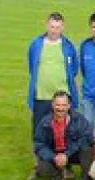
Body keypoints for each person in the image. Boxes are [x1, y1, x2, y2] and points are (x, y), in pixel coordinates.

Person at [28, 12, 79, 152]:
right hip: (41, 96)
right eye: (52, 27)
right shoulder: (36, 44)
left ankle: (63, 160)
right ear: (47, 26)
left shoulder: (68, 46)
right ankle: (40, 161)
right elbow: (32, 66)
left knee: (64, 132)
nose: (54, 31)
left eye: (57, 27)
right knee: (39, 131)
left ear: (62, 28)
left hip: (62, 98)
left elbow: (74, 69)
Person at [33, 91, 95, 180]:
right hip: (55, 154)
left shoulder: (79, 119)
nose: (60, 108)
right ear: (52, 105)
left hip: (73, 152)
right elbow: (39, 144)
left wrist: (66, 154)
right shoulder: (45, 122)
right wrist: (53, 157)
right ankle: (58, 178)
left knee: (88, 149)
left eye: (64, 105)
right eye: (58, 105)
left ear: (69, 105)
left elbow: (87, 138)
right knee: (42, 168)